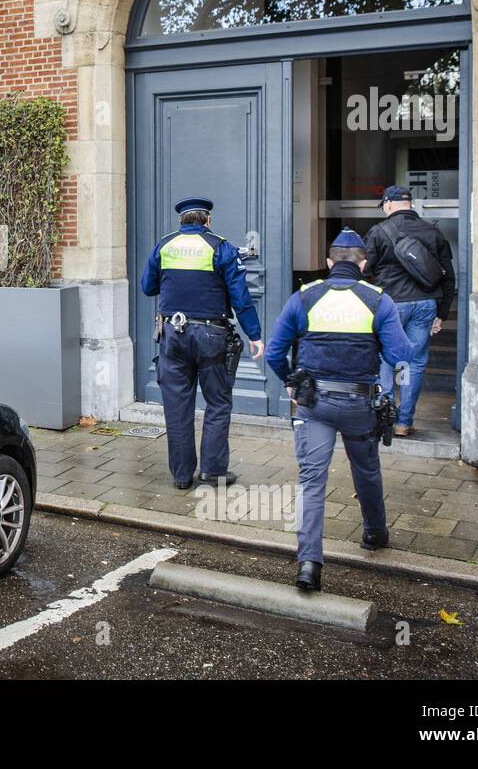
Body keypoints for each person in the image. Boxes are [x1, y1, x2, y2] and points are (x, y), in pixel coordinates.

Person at [265, 228, 410, 592]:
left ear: (329, 264)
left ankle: (309, 565)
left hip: (313, 404)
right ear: (363, 264)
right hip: (359, 403)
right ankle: (375, 534)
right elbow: (400, 355)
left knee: (312, 482)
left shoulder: (305, 297)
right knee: (367, 470)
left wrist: (291, 382)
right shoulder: (378, 300)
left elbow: (273, 353)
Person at [140, 197, 264, 491]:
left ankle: (182, 477)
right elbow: (240, 298)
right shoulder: (221, 247)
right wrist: (255, 334)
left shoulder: (164, 245)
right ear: (208, 221)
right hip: (211, 336)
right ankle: (213, 472)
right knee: (218, 404)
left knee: (177, 408)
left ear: (181, 221)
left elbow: (148, 287)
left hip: (172, 334)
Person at [365, 185, 456, 436]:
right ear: (410, 204)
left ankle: (384, 416)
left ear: (389, 204)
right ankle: (404, 422)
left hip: (390, 305)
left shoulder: (378, 232)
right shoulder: (432, 232)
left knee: (384, 358)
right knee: (412, 363)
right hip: (425, 305)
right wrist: (442, 313)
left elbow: (362, 270)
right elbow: (449, 277)